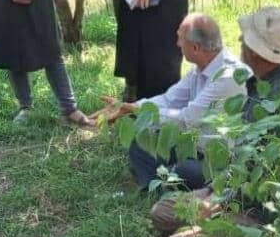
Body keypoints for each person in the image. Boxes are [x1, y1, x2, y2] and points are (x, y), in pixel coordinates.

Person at [150, 7, 280, 237]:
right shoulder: (257, 83)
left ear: (255, 51)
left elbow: (260, 173)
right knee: (162, 212)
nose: (239, 43)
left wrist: (217, 200)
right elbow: (240, 157)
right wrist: (214, 192)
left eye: (245, 40)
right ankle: (212, 230)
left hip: (261, 210)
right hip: (231, 188)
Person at [97, 14, 244, 190]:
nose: (177, 45)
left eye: (180, 40)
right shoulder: (201, 67)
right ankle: (160, 185)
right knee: (140, 139)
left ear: (196, 47)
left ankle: (170, 186)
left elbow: (186, 119)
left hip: (218, 159)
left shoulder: (228, 77)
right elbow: (170, 99)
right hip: (192, 144)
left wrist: (136, 111)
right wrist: (132, 107)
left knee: (185, 171)